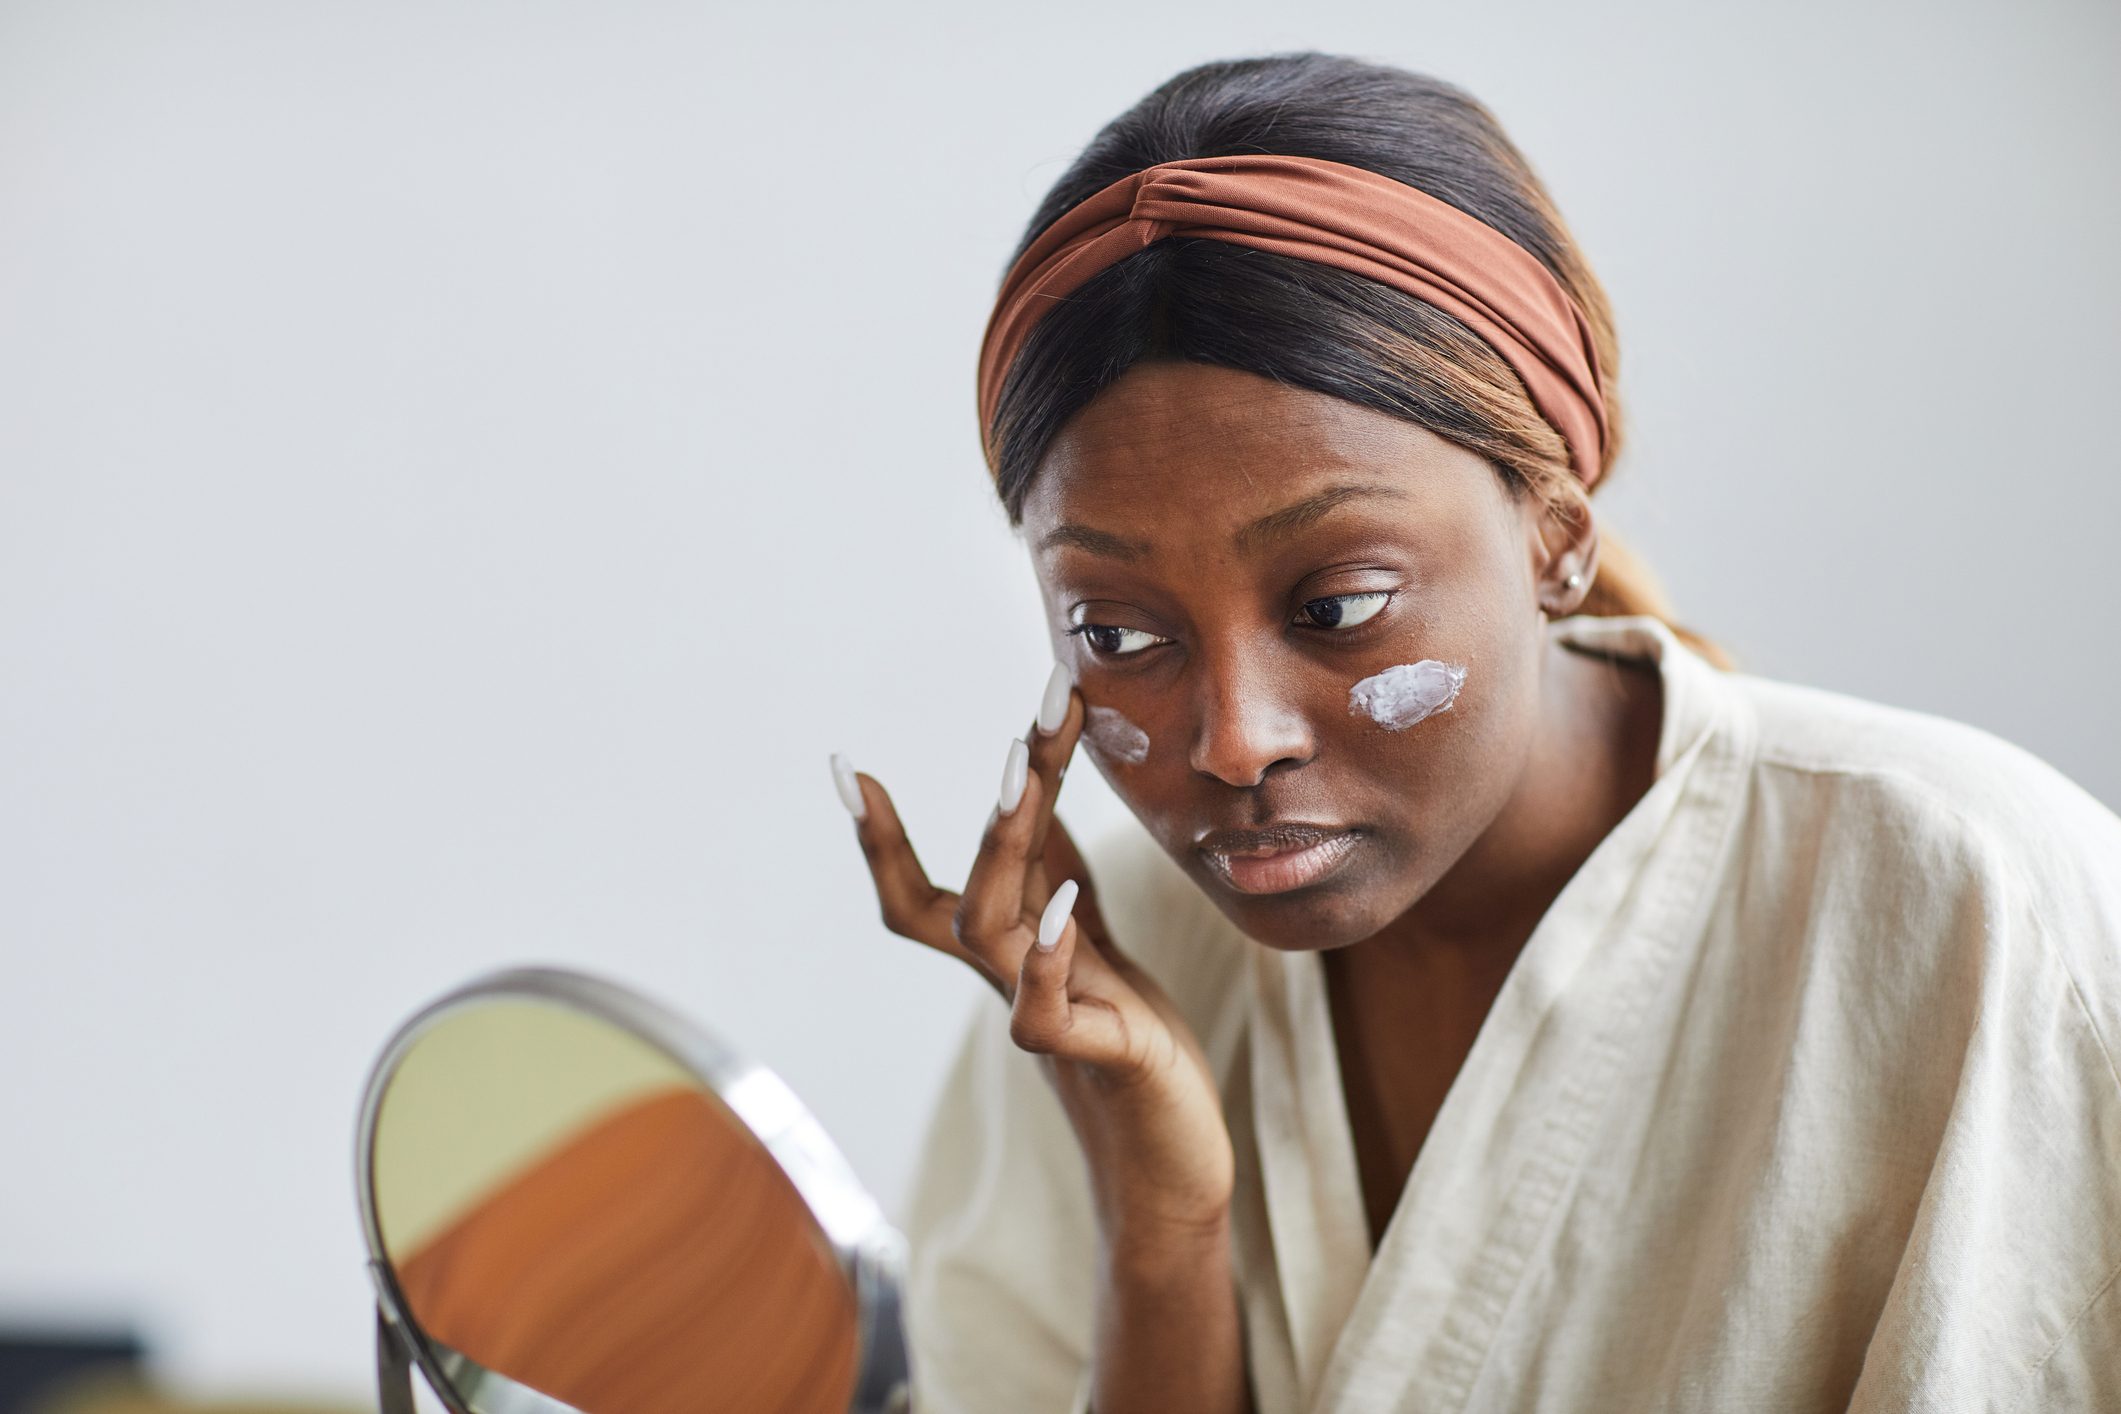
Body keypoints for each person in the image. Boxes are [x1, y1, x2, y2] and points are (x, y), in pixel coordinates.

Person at [829, 51, 2121, 1413]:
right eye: (1117, 636)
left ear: (1555, 535)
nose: (1230, 741)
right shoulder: (1093, 986)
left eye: (1337, 604)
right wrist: (1159, 1229)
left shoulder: (1981, 912)